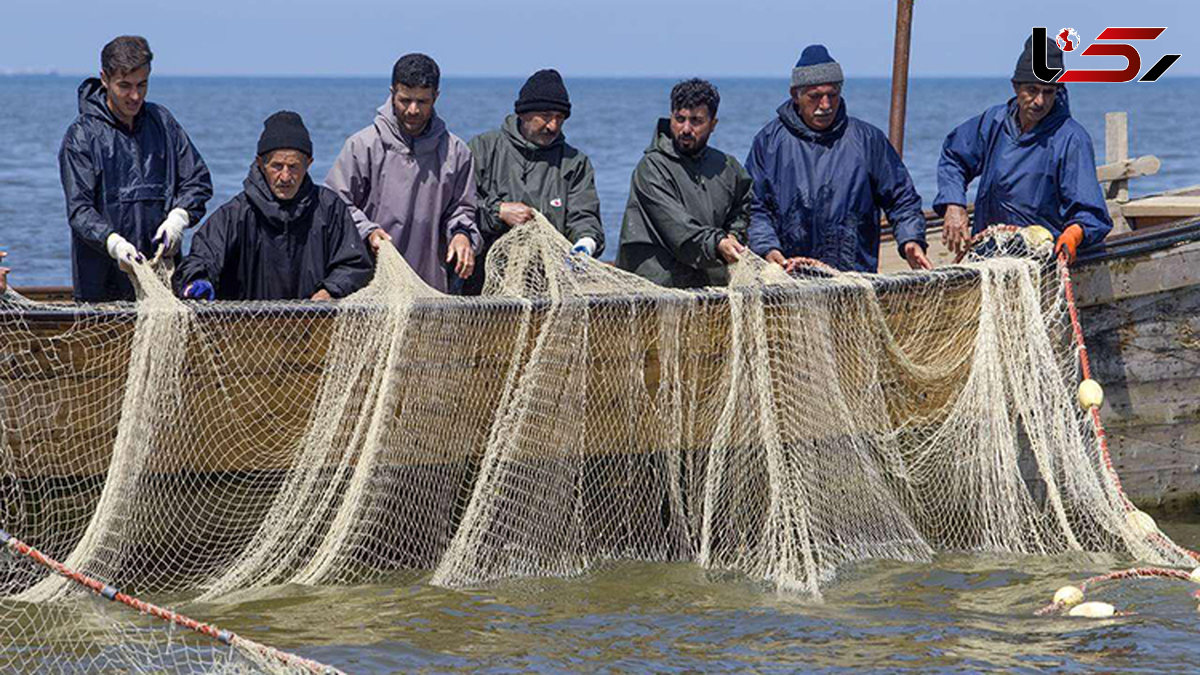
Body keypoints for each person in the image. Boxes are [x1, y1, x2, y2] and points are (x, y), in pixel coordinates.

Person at [745, 45, 929, 273]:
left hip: (853, 279)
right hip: (786, 275)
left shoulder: (868, 140)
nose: (825, 105)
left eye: (832, 95)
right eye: (815, 97)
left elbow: (901, 198)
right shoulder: (769, 142)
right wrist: (767, 248)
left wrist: (911, 240)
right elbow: (753, 207)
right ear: (796, 95)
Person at [59, 35, 212, 302]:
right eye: (125, 86)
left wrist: (178, 218)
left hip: (161, 279)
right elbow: (80, 210)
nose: (135, 96)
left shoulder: (163, 123)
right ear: (104, 79)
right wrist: (113, 243)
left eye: (142, 85)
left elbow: (197, 181)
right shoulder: (81, 136)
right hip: (101, 286)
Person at [934, 36, 1113, 264]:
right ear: (1016, 87)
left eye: (1048, 92)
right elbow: (954, 157)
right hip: (988, 252)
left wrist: (1073, 235)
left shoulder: (1071, 139)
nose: (1039, 101)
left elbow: (1092, 213)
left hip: (1041, 260)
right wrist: (954, 204)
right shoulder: (993, 122)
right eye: (1032, 90)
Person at [176, 112, 373, 301]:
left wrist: (330, 290)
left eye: (294, 167)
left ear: (309, 164)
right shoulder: (235, 214)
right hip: (247, 328)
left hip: (315, 324)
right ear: (261, 164)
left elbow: (355, 264)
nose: (286, 177)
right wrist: (198, 280)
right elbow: (201, 257)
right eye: (277, 166)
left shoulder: (331, 209)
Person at [325, 53, 479, 293]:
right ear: (392, 93)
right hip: (369, 285)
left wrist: (462, 234)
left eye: (423, 101)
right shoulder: (362, 145)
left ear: (436, 97)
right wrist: (369, 231)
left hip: (431, 287)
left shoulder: (457, 152)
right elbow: (335, 204)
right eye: (405, 100)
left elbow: (462, 208)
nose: (413, 110)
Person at [463, 69, 603, 294]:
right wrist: (497, 211)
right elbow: (457, 208)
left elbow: (585, 217)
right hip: (482, 283)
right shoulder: (483, 149)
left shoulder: (575, 163)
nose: (553, 126)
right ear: (523, 113)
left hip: (550, 287)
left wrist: (586, 242)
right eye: (546, 115)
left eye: (560, 118)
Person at [615, 79, 750, 288]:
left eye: (696, 121)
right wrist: (718, 244)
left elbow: (744, 208)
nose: (686, 129)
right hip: (656, 288)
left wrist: (734, 235)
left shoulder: (728, 167)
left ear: (713, 124)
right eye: (680, 119)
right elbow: (678, 229)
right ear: (671, 117)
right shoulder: (651, 168)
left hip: (711, 285)